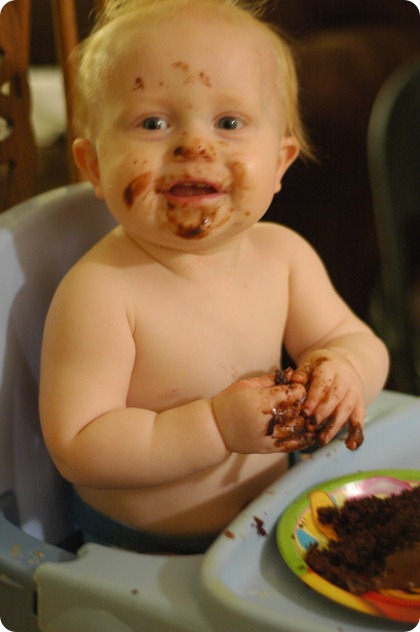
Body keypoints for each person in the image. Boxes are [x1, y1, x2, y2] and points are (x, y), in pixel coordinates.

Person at [39, 0, 389, 554]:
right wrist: (213, 428)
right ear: (95, 166)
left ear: (280, 162)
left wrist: (345, 370)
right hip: (143, 553)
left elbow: (355, 342)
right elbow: (78, 445)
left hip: (269, 525)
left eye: (228, 122)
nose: (194, 147)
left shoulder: (284, 256)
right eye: (153, 123)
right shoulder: (101, 291)